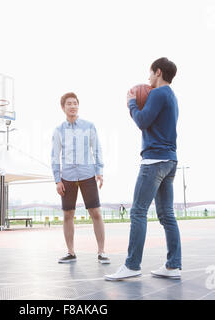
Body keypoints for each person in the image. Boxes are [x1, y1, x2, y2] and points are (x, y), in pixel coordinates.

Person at [105, 57, 182, 280]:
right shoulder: (173, 97)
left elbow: (142, 121)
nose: (148, 78)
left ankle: (132, 265)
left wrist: (131, 102)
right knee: (167, 215)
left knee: (138, 211)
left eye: (150, 73)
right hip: (170, 160)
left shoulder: (158, 93)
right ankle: (173, 265)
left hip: (154, 160)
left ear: (158, 72)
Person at [51, 92, 110, 264]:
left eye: (75, 103)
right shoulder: (58, 130)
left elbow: (97, 149)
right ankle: (70, 252)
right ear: (63, 107)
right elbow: (55, 156)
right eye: (69, 103)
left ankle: (102, 252)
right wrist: (57, 180)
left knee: (95, 212)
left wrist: (99, 171)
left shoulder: (89, 126)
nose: (73, 106)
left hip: (87, 174)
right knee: (68, 214)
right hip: (67, 177)